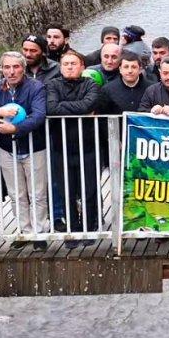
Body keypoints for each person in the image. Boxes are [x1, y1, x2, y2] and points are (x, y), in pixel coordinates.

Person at [0, 51, 50, 244]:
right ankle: (24, 230)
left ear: (23, 68)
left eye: (16, 67)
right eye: (7, 67)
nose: (11, 72)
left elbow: (38, 115)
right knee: (16, 193)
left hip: (34, 147)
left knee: (37, 192)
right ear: (2, 69)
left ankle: (40, 232)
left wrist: (15, 128)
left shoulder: (36, 87)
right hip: (7, 149)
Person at [46, 50, 102, 239]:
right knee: (66, 191)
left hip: (88, 146)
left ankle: (89, 228)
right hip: (62, 148)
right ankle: (73, 229)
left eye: (73, 64)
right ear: (60, 67)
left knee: (89, 190)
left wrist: (67, 107)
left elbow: (90, 103)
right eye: (66, 64)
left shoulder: (91, 84)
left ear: (82, 67)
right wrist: (80, 109)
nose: (69, 67)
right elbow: (52, 108)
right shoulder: (52, 85)